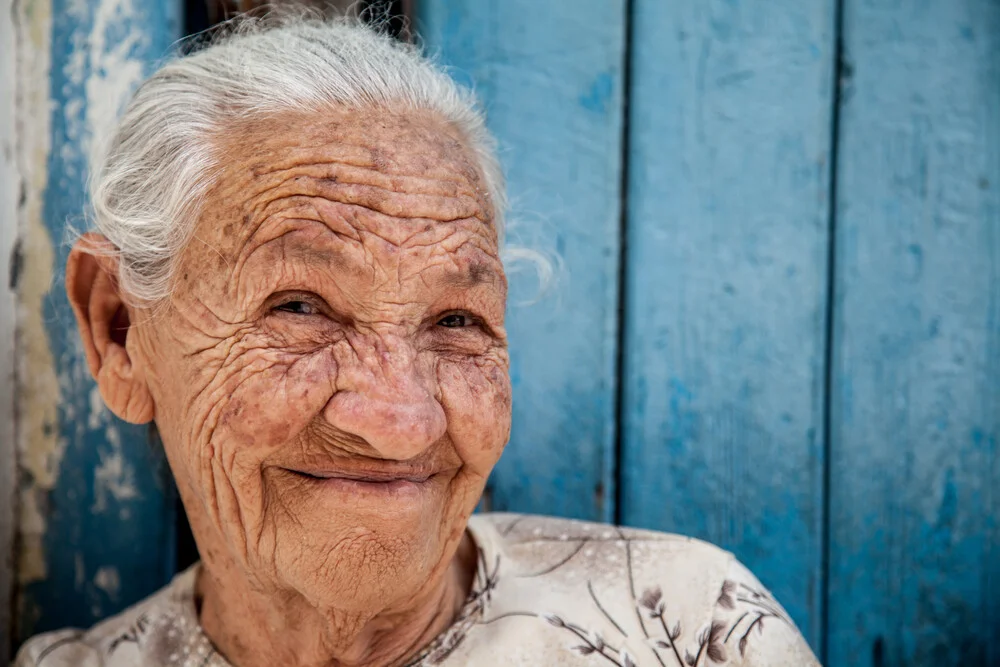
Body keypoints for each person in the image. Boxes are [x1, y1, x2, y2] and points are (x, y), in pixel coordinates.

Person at [15, 17, 821, 667]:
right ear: (120, 330)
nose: (401, 420)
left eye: (455, 322)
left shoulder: (688, 626)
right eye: (301, 307)